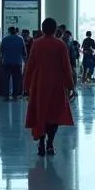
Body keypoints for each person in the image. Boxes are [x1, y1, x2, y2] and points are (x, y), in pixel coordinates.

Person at [24, 18, 76, 157]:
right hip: (56, 84)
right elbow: (66, 67)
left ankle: (41, 143)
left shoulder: (36, 44)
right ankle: (50, 144)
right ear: (55, 29)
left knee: (41, 113)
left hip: (39, 84)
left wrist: (27, 85)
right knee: (54, 114)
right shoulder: (60, 45)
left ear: (42, 29)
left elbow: (30, 65)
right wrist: (71, 86)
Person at [0, 25, 27, 101]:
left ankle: (6, 96)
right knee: (16, 79)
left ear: (9, 31)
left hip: (7, 61)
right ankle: (15, 96)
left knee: (6, 79)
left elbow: (1, 50)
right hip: (17, 62)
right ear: (15, 31)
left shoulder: (5, 39)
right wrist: (25, 59)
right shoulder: (20, 39)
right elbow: (24, 51)